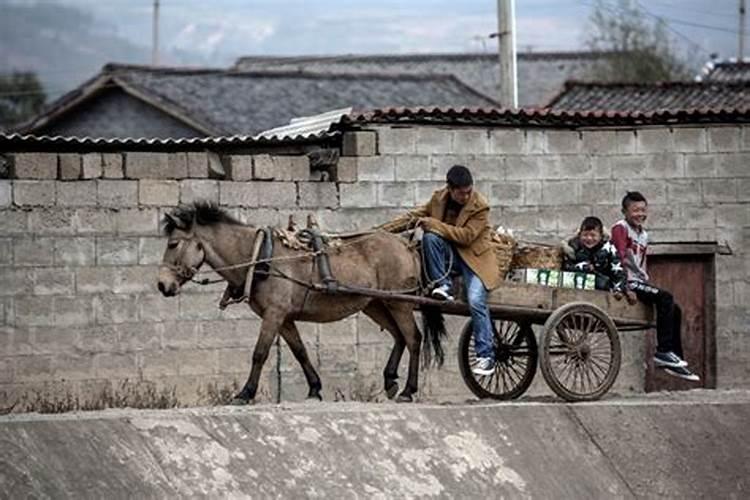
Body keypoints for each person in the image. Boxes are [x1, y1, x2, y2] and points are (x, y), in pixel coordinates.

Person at [378, 165, 500, 376]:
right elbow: (413, 217)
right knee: (430, 238)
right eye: (462, 193)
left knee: (476, 300)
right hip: (451, 259)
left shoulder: (480, 207)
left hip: (475, 261)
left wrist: (433, 224)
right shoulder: (438, 199)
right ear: (450, 189)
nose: (466, 196)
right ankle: (443, 284)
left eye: (469, 191)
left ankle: (486, 355)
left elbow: (466, 237)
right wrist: (378, 233)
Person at [611, 191, 700, 382]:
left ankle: (675, 359)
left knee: (675, 309)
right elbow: (618, 256)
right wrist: (624, 285)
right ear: (624, 211)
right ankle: (663, 352)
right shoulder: (621, 228)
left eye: (643, 210)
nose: (640, 214)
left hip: (640, 281)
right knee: (665, 297)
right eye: (635, 210)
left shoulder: (644, 235)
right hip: (629, 282)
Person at [562, 216, 626, 294]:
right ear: (579, 235)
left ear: (600, 236)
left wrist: (618, 289)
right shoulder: (573, 249)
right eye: (585, 235)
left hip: (603, 287)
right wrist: (583, 267)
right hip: (577, 287)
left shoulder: (609, 249)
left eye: (593, 235)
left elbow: (618, 271)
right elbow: (566, 268)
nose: (589, 238)